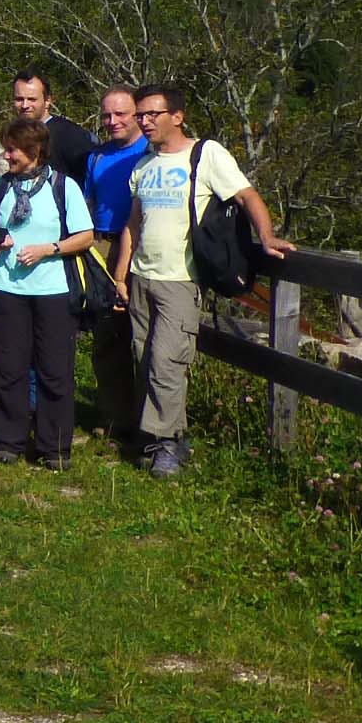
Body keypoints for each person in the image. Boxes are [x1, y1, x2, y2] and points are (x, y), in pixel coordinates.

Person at [112, 84, 293, 480]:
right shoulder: (144, 164)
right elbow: (134, 222)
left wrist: (266, 236)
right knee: (143, 358)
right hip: (143, 275)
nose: (144, 122)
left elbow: (246, 195)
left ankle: (169, 444)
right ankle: (156, 437)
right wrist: (121, 274)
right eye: (140, 115)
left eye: (151, 114)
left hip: (181, 279)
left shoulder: (205, 154)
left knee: (167, 362)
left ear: (177, 116)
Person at [0, 117, 98, 468]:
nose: (6, 155)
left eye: (12, 149)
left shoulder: (64, 187)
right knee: (9, 368)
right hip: (8, 289)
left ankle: (55, 447)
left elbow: (85, 236)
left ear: (35, 150)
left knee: (55, 370)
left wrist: (49, 249)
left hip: (54, 292)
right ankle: (9, 441)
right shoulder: (0, 186)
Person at [81, 87, 147, 444]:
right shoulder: (97, 157)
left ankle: (148, 420)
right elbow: (91, 201)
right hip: (102, 243)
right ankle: (114, 416)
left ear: (137, 113)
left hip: (141, 246)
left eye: (121, 114)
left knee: (142, 334)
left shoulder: (150, 152)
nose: (113, 121)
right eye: (107, 115)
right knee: (107, 334)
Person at [11, 72, 95, 187]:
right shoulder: (15, 136)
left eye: (32, 99)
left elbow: (91, 178)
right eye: (19, 99)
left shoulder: (69, 134)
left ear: (48, 100)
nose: (25, 105)